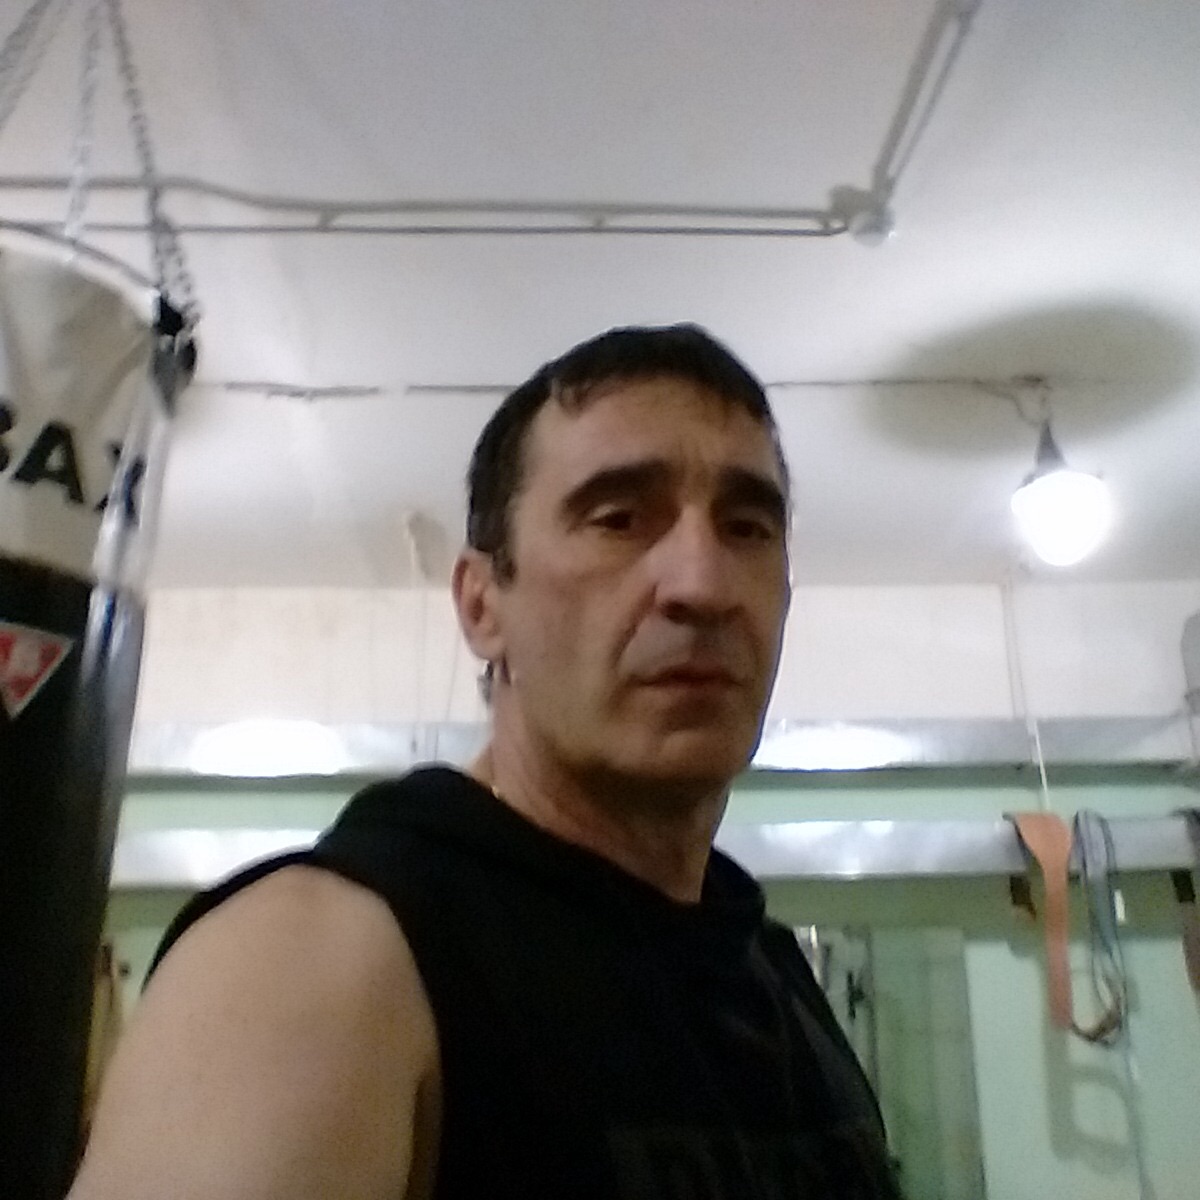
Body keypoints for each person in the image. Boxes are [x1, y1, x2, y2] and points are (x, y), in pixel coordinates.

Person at [70, 325, 903, 1199]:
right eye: (618, 519)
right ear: (481, 605)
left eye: (747, 527)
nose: (703, 584)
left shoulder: (773, 976)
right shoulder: (314, 961)